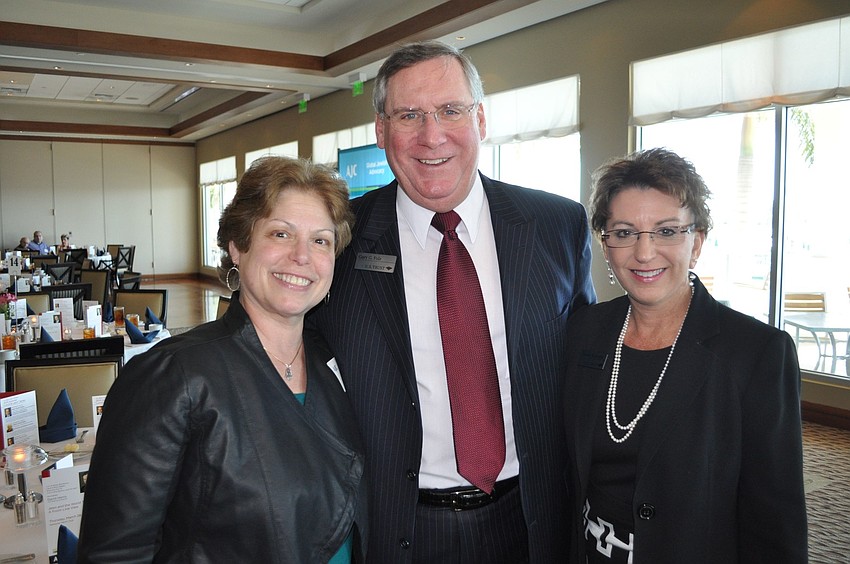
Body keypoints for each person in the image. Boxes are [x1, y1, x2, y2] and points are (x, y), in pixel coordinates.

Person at [309, 40, 596, 563]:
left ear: (480, 119)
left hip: (533, 520)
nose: (431, 135)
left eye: (450, 110)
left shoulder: (557, 226)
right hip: (399, 529)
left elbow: (586, 367)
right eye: (409, 115)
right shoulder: (339, 239)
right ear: (381, 131)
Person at [78, 157, 367, 562]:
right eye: (281, 234)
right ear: (238, 246)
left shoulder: (333, 366)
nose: (302, 256)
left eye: (320, 240)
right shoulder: (173, 377)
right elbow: (115, 553)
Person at [563, 148, 807, 563]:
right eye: (624, 232)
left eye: (666, 231)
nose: (644, 253)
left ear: (696, 242)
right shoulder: (582, 331)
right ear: (605, 247)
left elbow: (774, 520)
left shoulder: (757, 353)